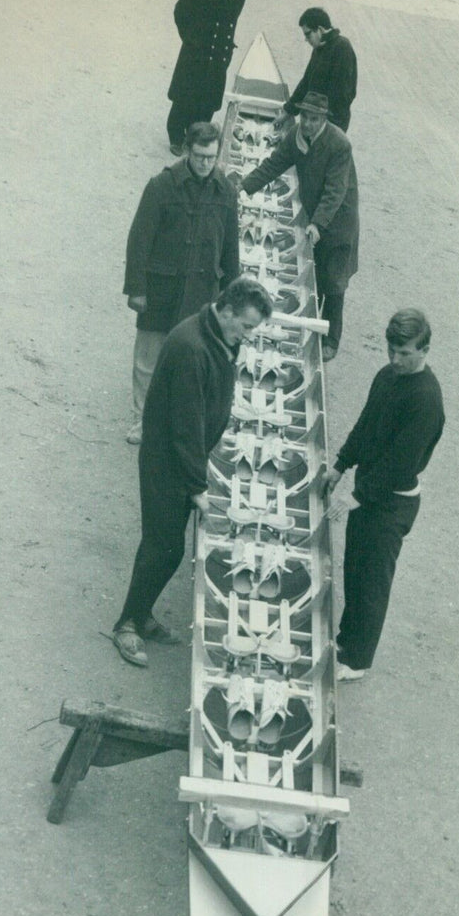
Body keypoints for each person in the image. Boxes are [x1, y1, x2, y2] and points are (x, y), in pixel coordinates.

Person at [112, 277, 274, 668]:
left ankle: (142, 613)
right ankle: (127, 625)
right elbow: (186, 425)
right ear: (228, 310)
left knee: (168, 547)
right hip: (166, 462)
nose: (250, 336)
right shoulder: (191, 348)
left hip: (181, 458)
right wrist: (198, 486)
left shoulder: (215, 336)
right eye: (247, 326)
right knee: (161, 546)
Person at [323, 309, 445, 681]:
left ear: (424, 350)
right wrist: (340, 465)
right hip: (370, 490)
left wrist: (357, 495)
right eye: (391, 350)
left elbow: (402, 461)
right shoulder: (387, 375)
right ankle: (344, 642)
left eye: (405, 353)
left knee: (373, 581)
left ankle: (358, 661)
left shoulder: (426, 400)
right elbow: (366, 424)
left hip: (393, 501)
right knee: (355, 570)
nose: (395, 359)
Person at [123, 121, 240, 445]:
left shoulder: (226, 192)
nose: (206, 163)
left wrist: (233, 298)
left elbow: (231, 248)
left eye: (212, 157)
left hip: (202, 294)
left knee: (190, 362)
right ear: (188, 151)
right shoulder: (161, 186)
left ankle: (178, 424)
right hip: (160, 290)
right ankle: (142, 421)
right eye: (200, 156)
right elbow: (139, 240)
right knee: (148, 359)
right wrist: (137, 288)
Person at [240, 91, 359, 361]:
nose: (307, 123)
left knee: (334, 280)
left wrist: (317, 224)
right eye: (305, 116)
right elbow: (273, 165)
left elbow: (335, 191)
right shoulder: (296, 136)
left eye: (314, 119)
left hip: (339, 218)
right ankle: (310, 321)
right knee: (315, 270)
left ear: (323, 120)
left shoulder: (339, 144)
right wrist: (244, 186)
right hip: (315, 215)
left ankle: (331, 339)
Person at [167, 0, 249, 155]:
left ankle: (197, 137)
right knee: (185, 97)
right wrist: (190, 39)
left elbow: (230, 22)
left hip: (219, 54)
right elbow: (180, 13)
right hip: (196, 53)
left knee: (208, 101)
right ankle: (177, 137)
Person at [277, 7, 357, 133]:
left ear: (320, 29)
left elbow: (343, 96)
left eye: (308, 34)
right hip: (313, 120)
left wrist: (323, 127)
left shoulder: (342, 48)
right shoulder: (319, 48)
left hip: (331, 125)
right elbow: (306, 83)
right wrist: (287, 111)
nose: (306, 40)